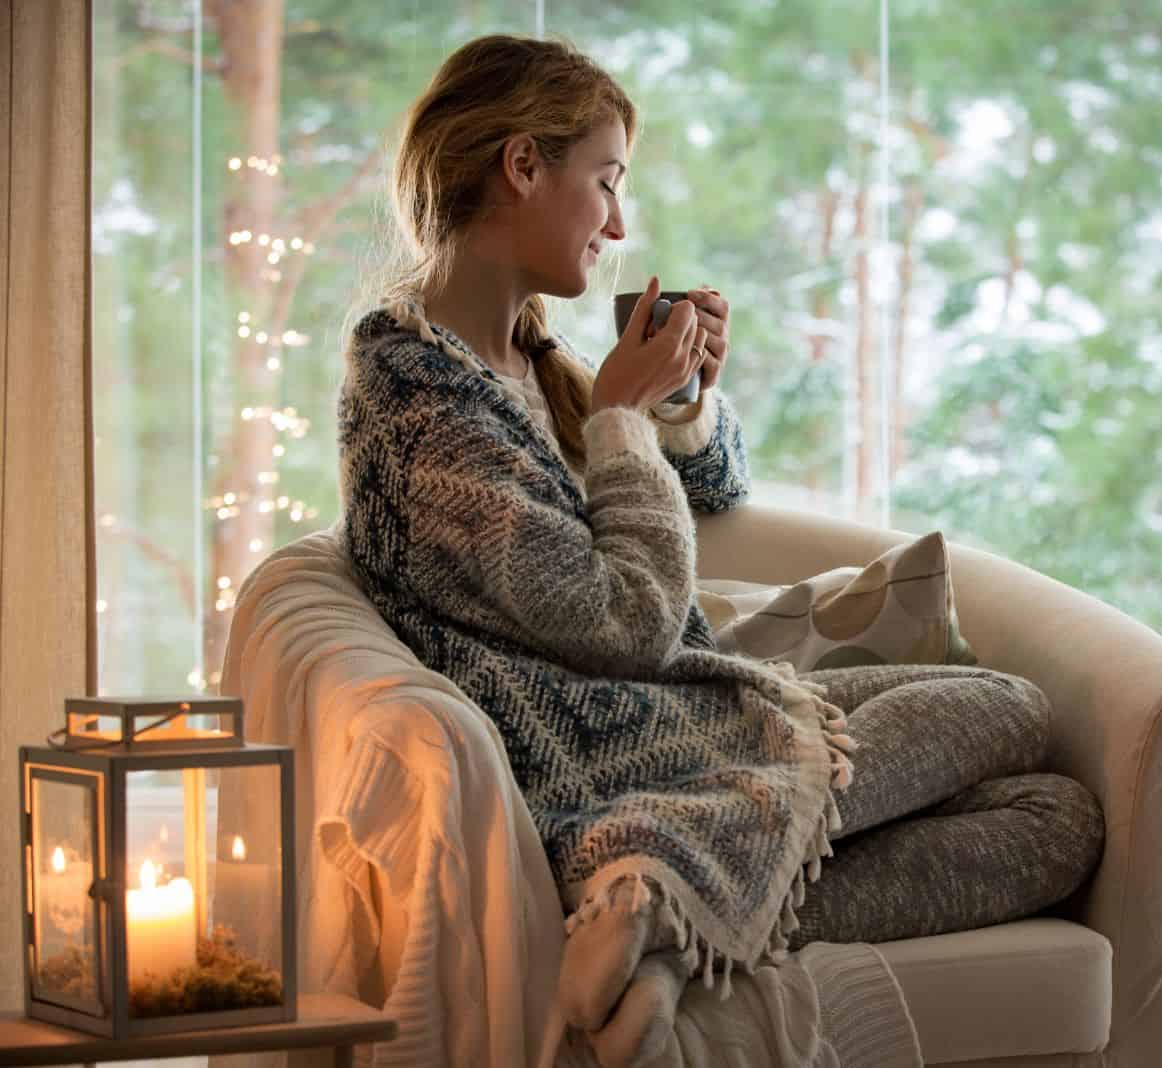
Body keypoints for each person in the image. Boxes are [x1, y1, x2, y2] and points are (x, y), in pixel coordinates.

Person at [337, 33, 1105, 1068]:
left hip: (681, 728)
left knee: (1050, 814)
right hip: (598, 757)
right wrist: (616, 422)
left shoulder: (525, 353)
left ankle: (664, 929)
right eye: (604, 183)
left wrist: (680, 409)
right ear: (522, 166)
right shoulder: (416, 399)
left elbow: (710, 494)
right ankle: (650, 874)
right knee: (1003, 710)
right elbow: (626, 626)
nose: (616, 223)